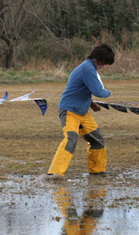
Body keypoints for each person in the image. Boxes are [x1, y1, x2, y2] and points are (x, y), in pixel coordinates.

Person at [47, 43, 114, 178]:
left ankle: (97, 170)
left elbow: (81, 90)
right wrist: (108, 93)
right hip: (69, 111)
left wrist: (92, 104)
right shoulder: (88, 68)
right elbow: (98, 91)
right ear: (99, 59)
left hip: (82, 113)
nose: (104, 66)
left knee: (97, 139)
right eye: (105, 63)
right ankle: (54, 173)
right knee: (70, 139)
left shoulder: (88, 67)